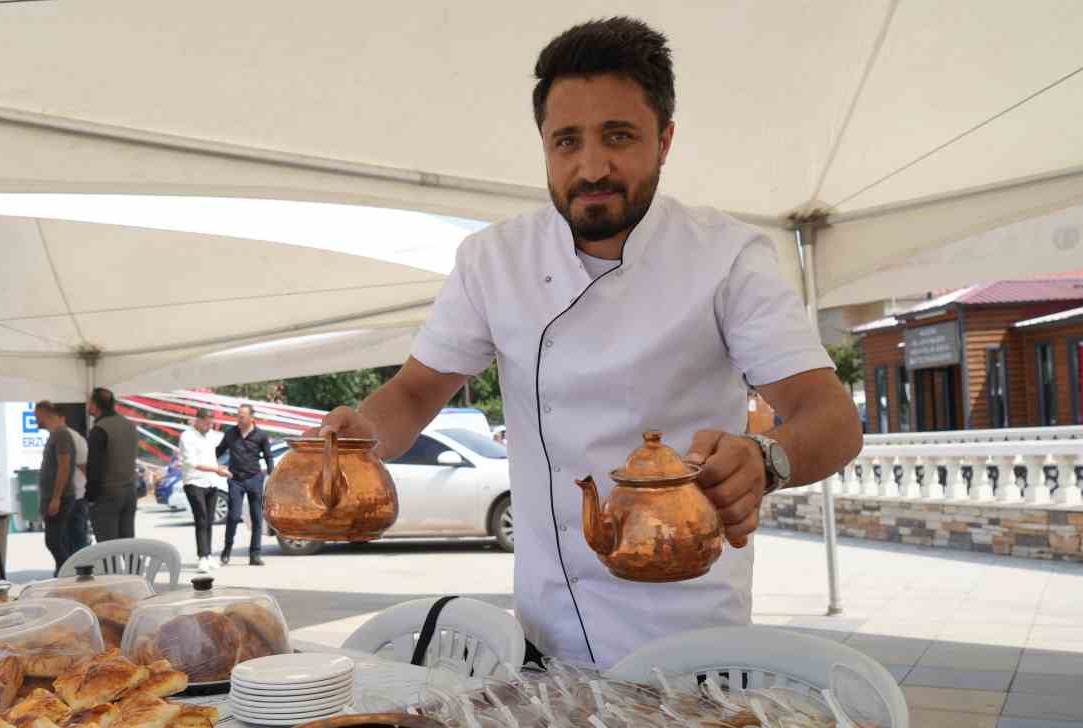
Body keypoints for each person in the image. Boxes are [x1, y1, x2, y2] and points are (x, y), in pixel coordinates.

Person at [318, 18, 862, 668]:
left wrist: (766, 458)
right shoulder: (493, 260)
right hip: (545, 632)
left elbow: (833, 418)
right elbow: (415, 390)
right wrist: (362, 437)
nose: (592, 166)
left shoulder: (726, 257)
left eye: (619, 137)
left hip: (689, 639)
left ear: (665, 141)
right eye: (567, 141)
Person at [35, 400, 91, 573]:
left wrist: (56, 498)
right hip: (64, 496)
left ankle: (69, 573)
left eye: (37, 416)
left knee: (58, 541)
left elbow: (65, 466)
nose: (36, 420)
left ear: (45, 415)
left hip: (66, 497)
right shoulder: (58, 434)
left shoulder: (62, 435)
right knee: (59, 541)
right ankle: (66, 572)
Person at [217, 403, 275, 566]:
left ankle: (255, 555)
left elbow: (269, 456)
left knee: (257, 518)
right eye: (238, 416)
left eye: (242, 416)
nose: (239, 419)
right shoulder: (230, 434)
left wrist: (271, 473)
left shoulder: (261, 435)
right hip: (235, 479)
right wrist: (207, 462)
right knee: (234, 516)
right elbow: (218, 451)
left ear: (251, 418)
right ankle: (227, 550)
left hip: (254, 479)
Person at [85, 387, 140, 542]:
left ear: (95, 405)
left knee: (108, 547)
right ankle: (133, 567)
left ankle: (112, 568)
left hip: (108, 493)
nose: (87, 404)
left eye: (89, 401)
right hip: (130, 491)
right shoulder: (130, 425)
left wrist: (91, 496)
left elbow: (94, 467)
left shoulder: (100, 429)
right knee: (127, 542)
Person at [177, 408, 229, 572]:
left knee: (210, 519)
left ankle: (209, 555)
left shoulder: (212, 435)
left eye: (211, 424)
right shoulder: (187, 436)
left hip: (211, 482)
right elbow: (193, 463)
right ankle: (202, 557)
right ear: (197, 420)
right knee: (201, 518)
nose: (208, 426)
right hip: (194, 481)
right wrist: (216, 469)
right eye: (206, 423)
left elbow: (227, 441)